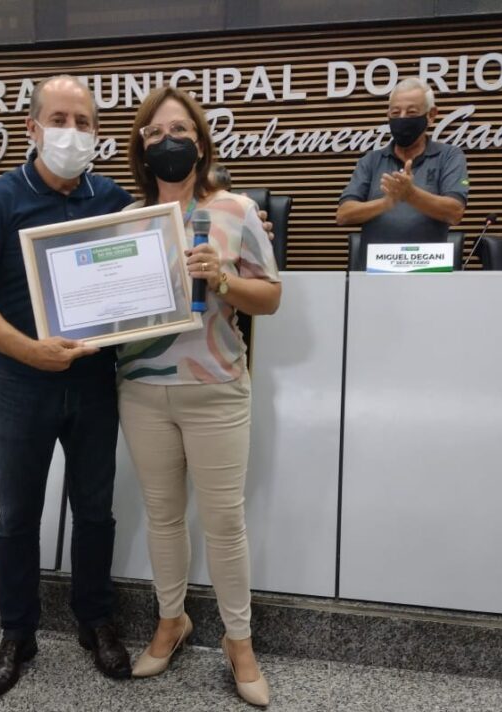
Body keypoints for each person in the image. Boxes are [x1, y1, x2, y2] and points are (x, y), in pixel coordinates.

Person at [0, 75, 133, 699]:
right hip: (22, 385)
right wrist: (29, 350)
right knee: (17, 514)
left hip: (95, 384)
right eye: (60, 119)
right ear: (31, 127)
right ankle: (18, 632)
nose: (72, 133)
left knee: (96, 511)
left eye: (84, 123)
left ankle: (95, 620)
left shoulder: (113, 199)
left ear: (97, 134)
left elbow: (149, 271)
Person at [120, 86, 281, 707]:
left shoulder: (236, 210)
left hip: (215, 389)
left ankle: (238, 642)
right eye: (156, 133)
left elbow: (270, 297)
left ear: (201, 140)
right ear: (141, 144)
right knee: (162, 516)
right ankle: (172, 620)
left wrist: (223, 277)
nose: (168, 141)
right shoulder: (126, 223)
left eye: (180, 130)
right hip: (142, 392)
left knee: (223, 523)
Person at [336, 77, 468, 251]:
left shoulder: (450, 156)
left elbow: (455, 212)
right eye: (395, 113)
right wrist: (386, 203)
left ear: (431, 115)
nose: (402, 119)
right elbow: (343, 215)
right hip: (377, 268)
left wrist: (411, 194)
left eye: (412, 113)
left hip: (427, 267)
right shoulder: (371, 160)